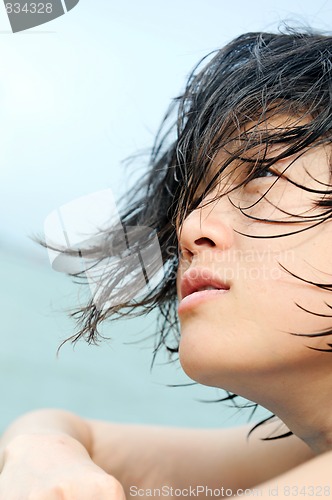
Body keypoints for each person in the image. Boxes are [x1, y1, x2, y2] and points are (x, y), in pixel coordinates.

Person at [1, 27, 332, 498]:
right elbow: (69, 434)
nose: (190, 225)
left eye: (261, 172)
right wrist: (41, 453)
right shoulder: (304, 455)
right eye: (195, 195)